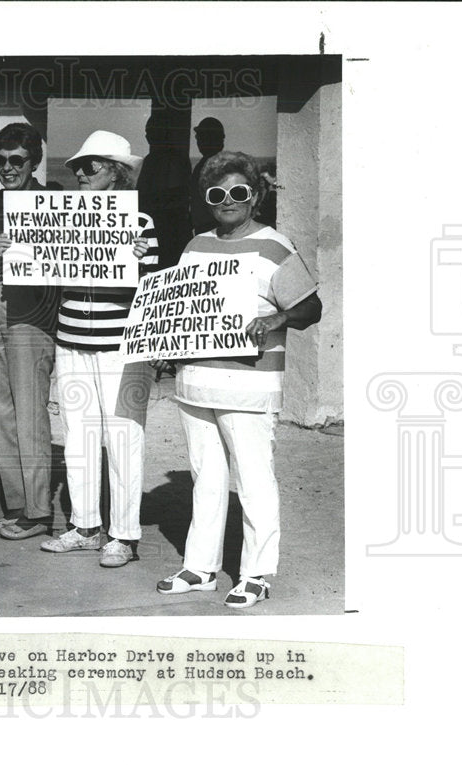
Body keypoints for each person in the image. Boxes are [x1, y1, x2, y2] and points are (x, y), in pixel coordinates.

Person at [156, 151, 322, 608]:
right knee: (205, 477)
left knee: (253, 479)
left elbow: (312, 308)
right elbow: (180, 307)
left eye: (238, 193)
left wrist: (277, 320)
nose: (227, 201)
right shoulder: (195, 246)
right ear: (207, 201)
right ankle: (200, 567)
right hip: (195, 381)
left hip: (250, 385)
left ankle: (257, 573)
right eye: (217, 194)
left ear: (255, 197)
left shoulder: (274, 246)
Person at [38, 131, 160, 567]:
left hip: (120, 348)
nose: (80, 174)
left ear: (117, 173)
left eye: (90, 166)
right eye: (76, 168)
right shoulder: (63, 220)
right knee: (78, 437)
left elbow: (152, 291)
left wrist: (139, 258)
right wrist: (15, 251)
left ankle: (124, 535)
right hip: (71, 342)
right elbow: (39, 269)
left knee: (123, 437)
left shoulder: (141, 225)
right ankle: (85, 525)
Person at [0, 123, 60, 540]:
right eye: (0, 160)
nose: (7, 168)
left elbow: (68, 259)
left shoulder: (53, 198)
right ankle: (17, 503)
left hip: (30, 313)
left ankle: (39, 511)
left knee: (30, 413)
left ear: (34, 162)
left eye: (16, 161)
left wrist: (26, 248)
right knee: (1, 410)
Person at [136, 112, 192, 269]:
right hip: (154, 229)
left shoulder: (176, 159)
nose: (149, 137)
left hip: (170, 232)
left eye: (153, 132)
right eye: (148, 132)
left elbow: (174, 197)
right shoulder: (150, 160)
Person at [189, 117, 225, 235]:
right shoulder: (217, 163)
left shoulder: (214, 164)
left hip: (212, 226)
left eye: (202, 137)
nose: (198, 141)